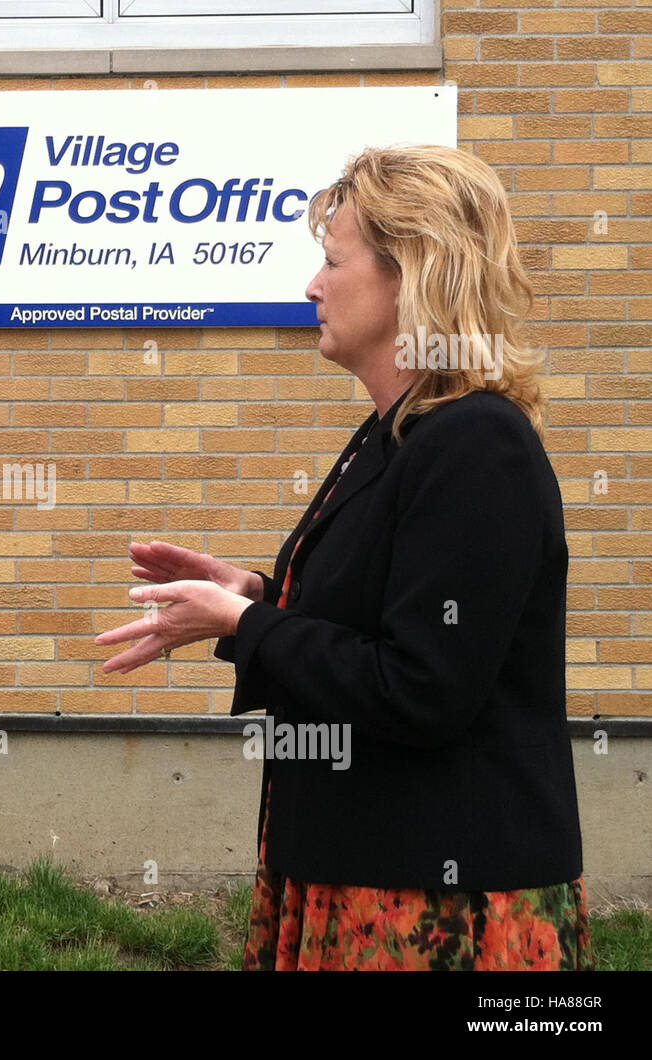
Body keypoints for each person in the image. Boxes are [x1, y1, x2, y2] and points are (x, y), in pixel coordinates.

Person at [97, 145, 590, 970]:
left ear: (414, 276)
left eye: (331, 261)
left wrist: (247, 622)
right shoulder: (397, 434)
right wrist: (253, 590)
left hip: (437, 910)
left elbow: (423, 688)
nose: (311, 286)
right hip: (360, 876)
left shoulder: (478, 445)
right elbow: (377, 607)